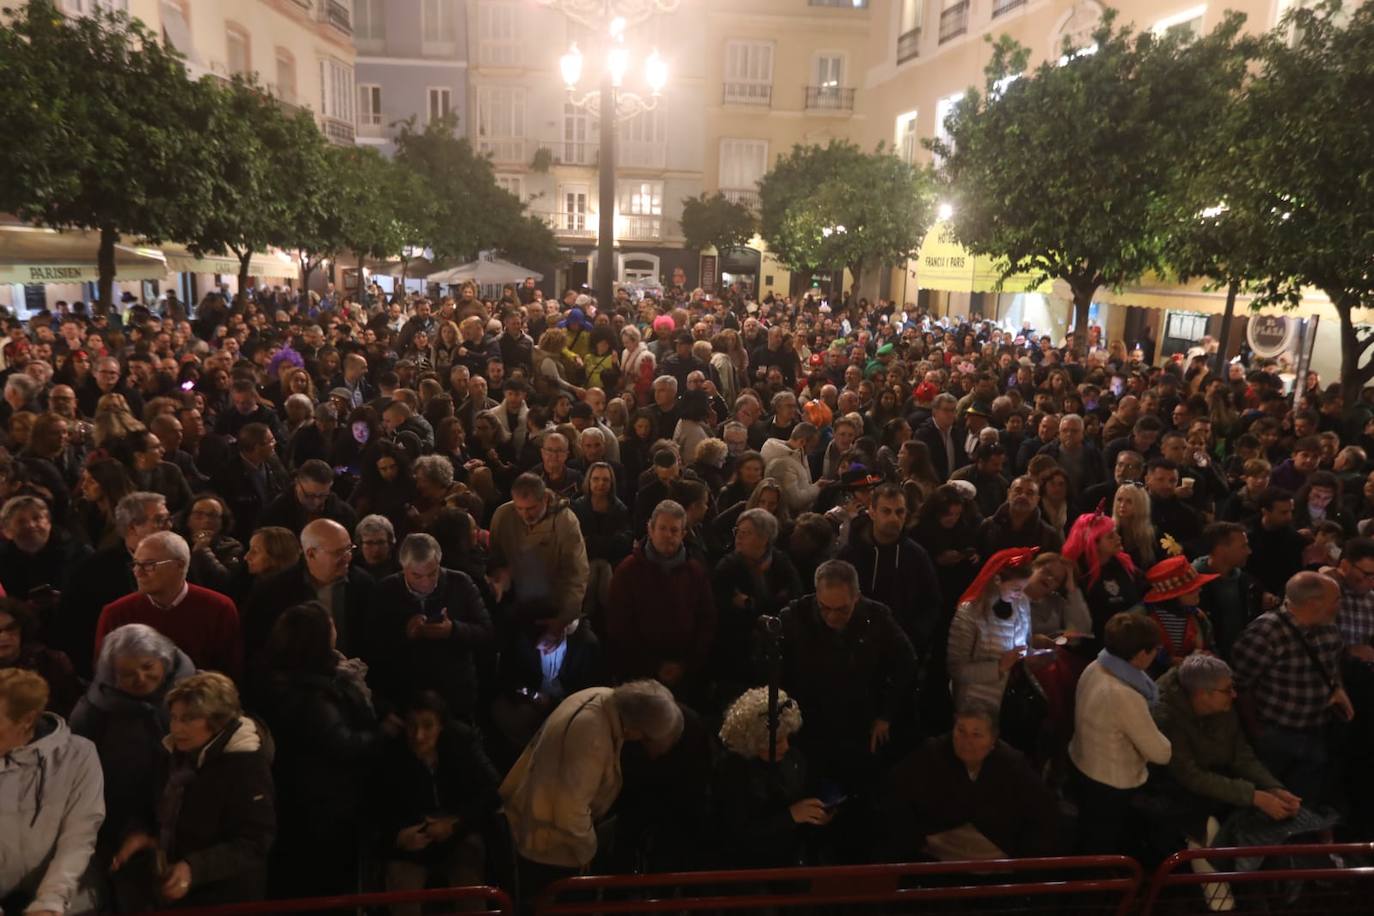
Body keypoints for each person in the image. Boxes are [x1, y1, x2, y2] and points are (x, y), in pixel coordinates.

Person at [500, 680, 683, 895]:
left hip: (535, 827)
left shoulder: (600, 696)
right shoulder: (591, 734)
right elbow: (569, 810)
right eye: (644, 738)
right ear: (635, 730)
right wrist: (587, 851)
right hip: (548, 847)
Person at [109, 672, 275, 908]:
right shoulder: (173, 755)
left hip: (222, 899)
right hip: (172, 893)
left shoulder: (245, 765)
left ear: (218, 721)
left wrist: (193, 868)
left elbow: (254, 842)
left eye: (188, 719)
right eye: (174, 717)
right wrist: (141, 834)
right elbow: (149, 806)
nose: (176, 728)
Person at [258, 603, 385, 899]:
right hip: (325, 804)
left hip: (294, 798)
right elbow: (342, 743)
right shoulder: (314, 696)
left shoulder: (277, 675)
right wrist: (380, 736)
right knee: (327, 883)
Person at [776, 559, 917, 794]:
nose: (831, 617)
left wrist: (886, 714)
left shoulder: (877, 617)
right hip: (808, 721)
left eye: (841, 609)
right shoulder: (794, 617)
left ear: (857, 597)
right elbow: (776, 673)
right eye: (824, 608)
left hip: (859, 720)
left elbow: (906, 662)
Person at [70, 624, 195, 867]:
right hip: (120, 827)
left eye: (148, 666)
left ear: (164, 660)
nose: (140, 678)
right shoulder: (91, 713)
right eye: (127, 673)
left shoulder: (197, 692)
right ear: (112, 676)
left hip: (191, 824)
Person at [882, 701, 1061, 862]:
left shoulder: (1012, 764)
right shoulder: (933, 753)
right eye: (961, 731)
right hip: (936, 855)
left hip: (994, 860)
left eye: (977, 735)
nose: (967, 741)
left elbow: (1044, 812)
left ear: (993, 741)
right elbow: (896, 791)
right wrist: (914, 840)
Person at [375, 691, 501, 916]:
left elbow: (492, 792)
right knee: (403, 895)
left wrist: (455, 823)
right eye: (412, 726)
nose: (419, 736)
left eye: (427, 726)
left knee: (470, 892)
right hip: (410, 840)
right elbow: (375, 808)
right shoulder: (392, 753)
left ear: (441, 726)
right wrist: (397, 836)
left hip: (457, 835)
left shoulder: (461, 743)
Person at [1232, 571, 1351, 806]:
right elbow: (1241, 685)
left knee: (1308, 801)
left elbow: (1332, 665)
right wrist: (1257, 731)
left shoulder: (1328, 627)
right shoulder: (1264, 633)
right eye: (1336, 600)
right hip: (1276, 736)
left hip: (1317, 731)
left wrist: (1338, 689)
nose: (1341, 605)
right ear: (1312, 603)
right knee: (1274, 802)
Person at [0, 669, 104, 916]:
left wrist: (50, 903)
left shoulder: (80, 755)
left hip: (65, 898)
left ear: (26, 720)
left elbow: (79, 835)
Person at [1068, 611, 1172, 855]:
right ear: (1139, 655)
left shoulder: (1096, 666)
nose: (1157, 654)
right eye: (1154, 649)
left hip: (1082, 764)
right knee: (1102, 847)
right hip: (1109, 782)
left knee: (1091, 838)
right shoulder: (1123, 693)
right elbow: (1160, 753)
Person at [370, 533, 493, 719]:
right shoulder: (386, 590)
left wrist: (453, 630)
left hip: (454, 690)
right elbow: (372, 644)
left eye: (432, 573)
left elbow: (486, 632)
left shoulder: (461, 583)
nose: (426, 582)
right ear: (404, 568)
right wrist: (405, 633)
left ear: (439, 563)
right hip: (406, 692)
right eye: (417, 576)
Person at [94, 531, 242, 680]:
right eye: (136, 564)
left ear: (179, 565)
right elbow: (104, 679)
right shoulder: (116, 614)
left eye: (149, 565)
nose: (138, 573)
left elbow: (228, 679)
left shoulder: (219, 609)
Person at [606, 500, 716, 692]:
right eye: (662, 528)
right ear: (650, 529)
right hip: (639, 673)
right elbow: (619, 625)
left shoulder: (695, 572)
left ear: (683, 534)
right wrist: (653, 666)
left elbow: (706, 620)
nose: (668, 535)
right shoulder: (628, 571)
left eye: (674, 530)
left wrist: (686, 665)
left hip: (686, 671)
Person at [713, 687, 829, 868]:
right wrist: (789, 817)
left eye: (787, 737)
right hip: (748, 870)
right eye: (776, 741)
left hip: (790, 863)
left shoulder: (793, 759)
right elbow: (735, 833)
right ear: (753, 741)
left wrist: (816, 815)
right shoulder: (733, 770)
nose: (786, 746)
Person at [243, 518, 374, 664]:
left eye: (349, 549)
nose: (347, 558)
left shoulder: (364, 585)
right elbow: (257, 647)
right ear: (311, 554)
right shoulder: (272, 591)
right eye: (338, 553)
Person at [487, 473, 589, 633]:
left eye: (531, 508)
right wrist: (500, 576)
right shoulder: (503, 516)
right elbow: (495, 557)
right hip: (515, 601)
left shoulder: (565, 521)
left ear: (545, 499)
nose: (525, 515)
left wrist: (564, 618)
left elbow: (576, 573)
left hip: (553, 604)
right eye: (519, 508)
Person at [947, 547, 1040, 710]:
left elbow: (1025, 642)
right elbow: (957, 669)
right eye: (1016, 589)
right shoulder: (970, 612)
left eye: (1024, 589)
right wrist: (999, 667)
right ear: (997, 580)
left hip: (1010, 700)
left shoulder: (1022, 604)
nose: (1020, 595)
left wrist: (1030, 654)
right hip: (976, 701)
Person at [0, 598, 81, 717]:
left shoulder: (50, 662)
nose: (3, 636)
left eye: (11, 628)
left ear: (22, 629)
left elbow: (72, 709)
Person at [258, 459, 358, 536]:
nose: (316, 502)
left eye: (323, 495)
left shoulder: (345, 515)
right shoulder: (274, 515)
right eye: (309, 495)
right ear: (297, 483)